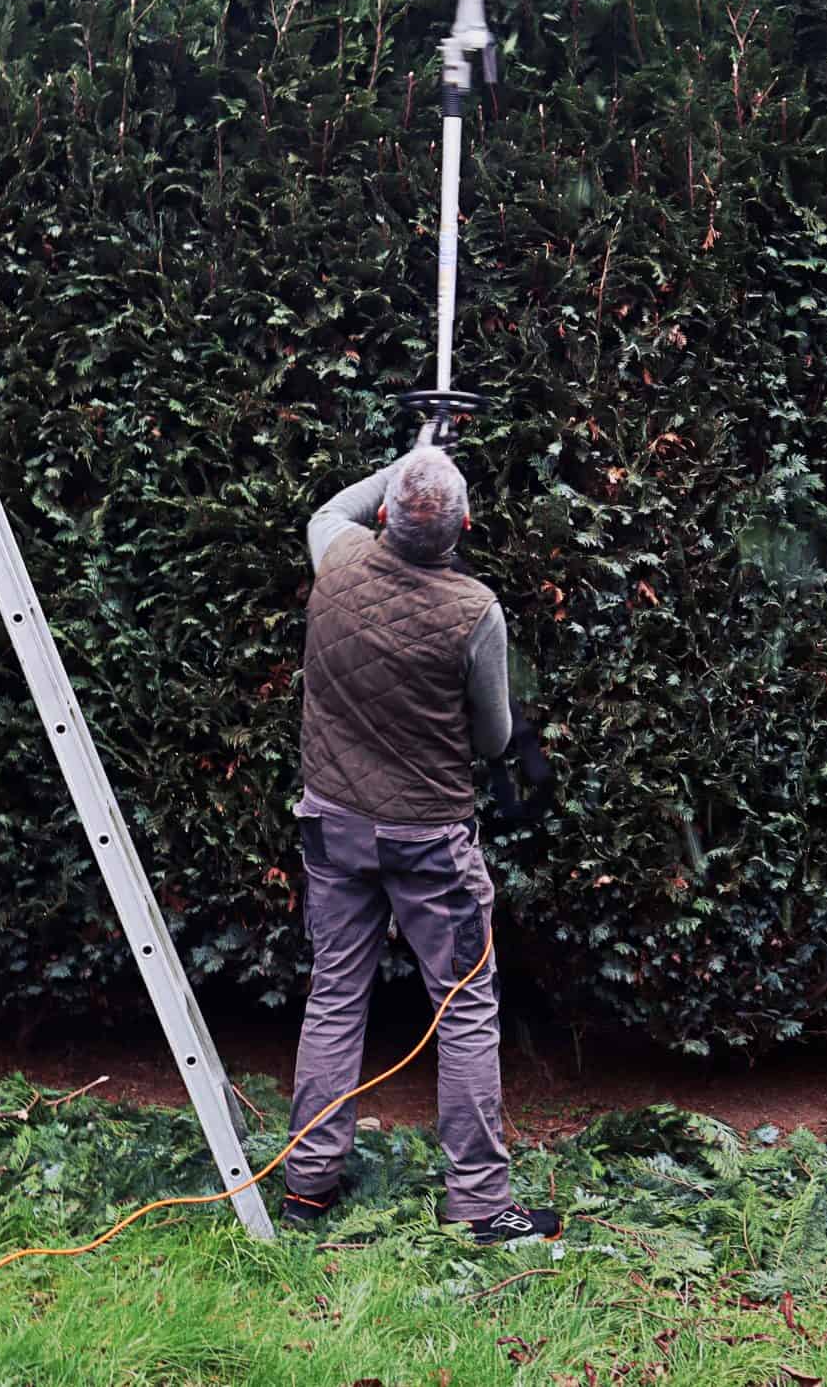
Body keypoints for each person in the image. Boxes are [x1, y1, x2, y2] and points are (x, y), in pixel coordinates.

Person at [280, 445, 563, 1245]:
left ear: (383, 517)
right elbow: (495, 737)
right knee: (465, 1006)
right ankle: (477, 1201)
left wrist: (406, 461)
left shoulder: (333, 555)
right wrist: (430, 466)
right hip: (431, 841)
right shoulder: (475, 610)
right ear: (465, 526)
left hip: (333, 824)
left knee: (336, 994)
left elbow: (333, 506)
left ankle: (307, 1184)